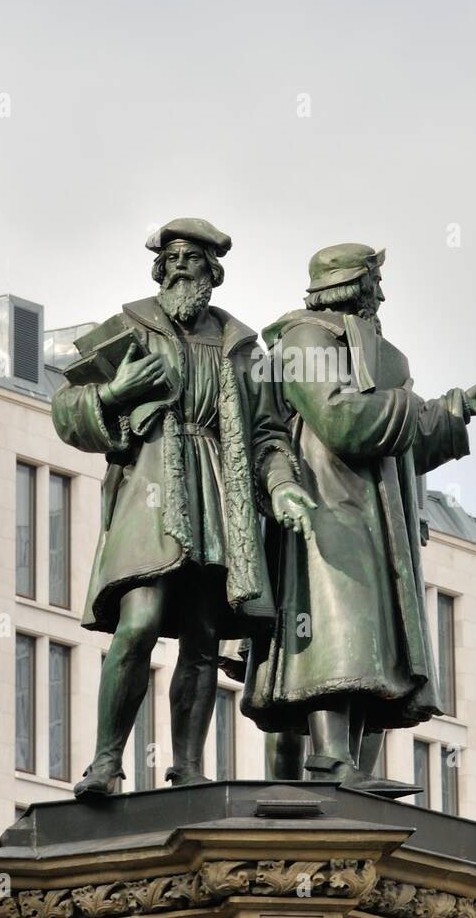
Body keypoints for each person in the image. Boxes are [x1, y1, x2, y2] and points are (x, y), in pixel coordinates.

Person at [51, 218, 312, 796]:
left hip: (220, 492)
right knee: (139, 621)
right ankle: (105, 762)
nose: (177, 267)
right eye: (169, 258)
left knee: (202, 635)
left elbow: (269, 435)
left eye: (190, 259)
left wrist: (283, 485)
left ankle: (189, 767)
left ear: (212, 273)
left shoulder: (244, 348)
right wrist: (115, 395)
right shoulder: (130, 328)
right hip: (151, 489)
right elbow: (67, 409)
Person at [243, 242, 476, 786]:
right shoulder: (305, 341)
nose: (381, 294)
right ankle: (331, 759)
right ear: (352, 286)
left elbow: (400, 445)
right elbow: (340, 420)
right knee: (337, 626)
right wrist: (417, 407)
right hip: (325, 504)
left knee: (374, 637)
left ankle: (350, 770)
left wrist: (457, 410)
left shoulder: (374, 351)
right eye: (374, 282)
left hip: (374, 512)